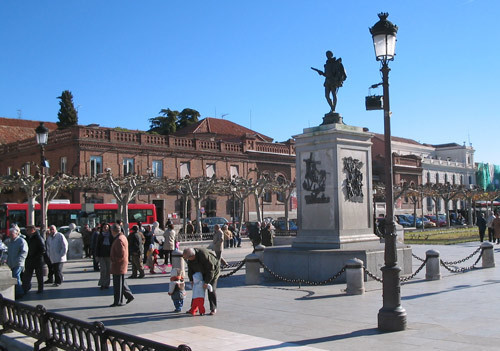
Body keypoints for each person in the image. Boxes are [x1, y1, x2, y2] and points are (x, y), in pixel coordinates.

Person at [183, 247, 220, 316]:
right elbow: (190, 269)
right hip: (200, 272)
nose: (187, 260)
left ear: (192, 256)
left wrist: (206, 282)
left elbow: (211, 270)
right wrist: (191, 280)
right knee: (196, 290)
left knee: (211, 290)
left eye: (187, 258)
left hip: (213, 271)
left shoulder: (203, 255)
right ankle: (194, 308)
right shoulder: (190, 258)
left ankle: (213, 308)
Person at [109, 223, 134, 307]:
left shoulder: (119, 239)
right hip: (120, 264)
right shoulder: (122, 237)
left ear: (113, 231)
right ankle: (128, 295)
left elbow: (121, 254)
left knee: (117, 284)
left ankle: (118, 301)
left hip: (118, 264)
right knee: (120, 282)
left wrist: (114, 260)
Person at [22, 225, 46, 294]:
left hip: (37, 260)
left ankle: (40, 289)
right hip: (29, 259)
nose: (27, 232)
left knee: (39, 275)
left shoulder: (38, 238)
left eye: (28, 230)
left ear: (33, 230)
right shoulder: (28, 238)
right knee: (27, 275)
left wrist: (36, 256)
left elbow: (43, 249)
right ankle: (25, 288)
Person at [7, 226, 28, 298]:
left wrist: (19, 260)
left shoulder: (21, 241)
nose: (10, 235)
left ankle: (20, 292)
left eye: (11, 234)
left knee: (16, 276)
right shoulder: (10, 242)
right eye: (9, 234)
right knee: (15, 277)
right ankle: (19, 290)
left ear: (16, 234)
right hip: (11, 263)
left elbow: (24, 252)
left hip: (19, 263)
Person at [96, 223, 112, 289]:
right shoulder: (100, 235)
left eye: (107, 227)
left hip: (109, 255)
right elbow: (97, 246)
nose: (106, 229)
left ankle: (107, 284)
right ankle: (102, 283)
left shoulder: (111, 236)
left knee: (108, 270)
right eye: (104, 227)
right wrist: (96, 255)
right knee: (103, 270)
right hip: (101, 255)